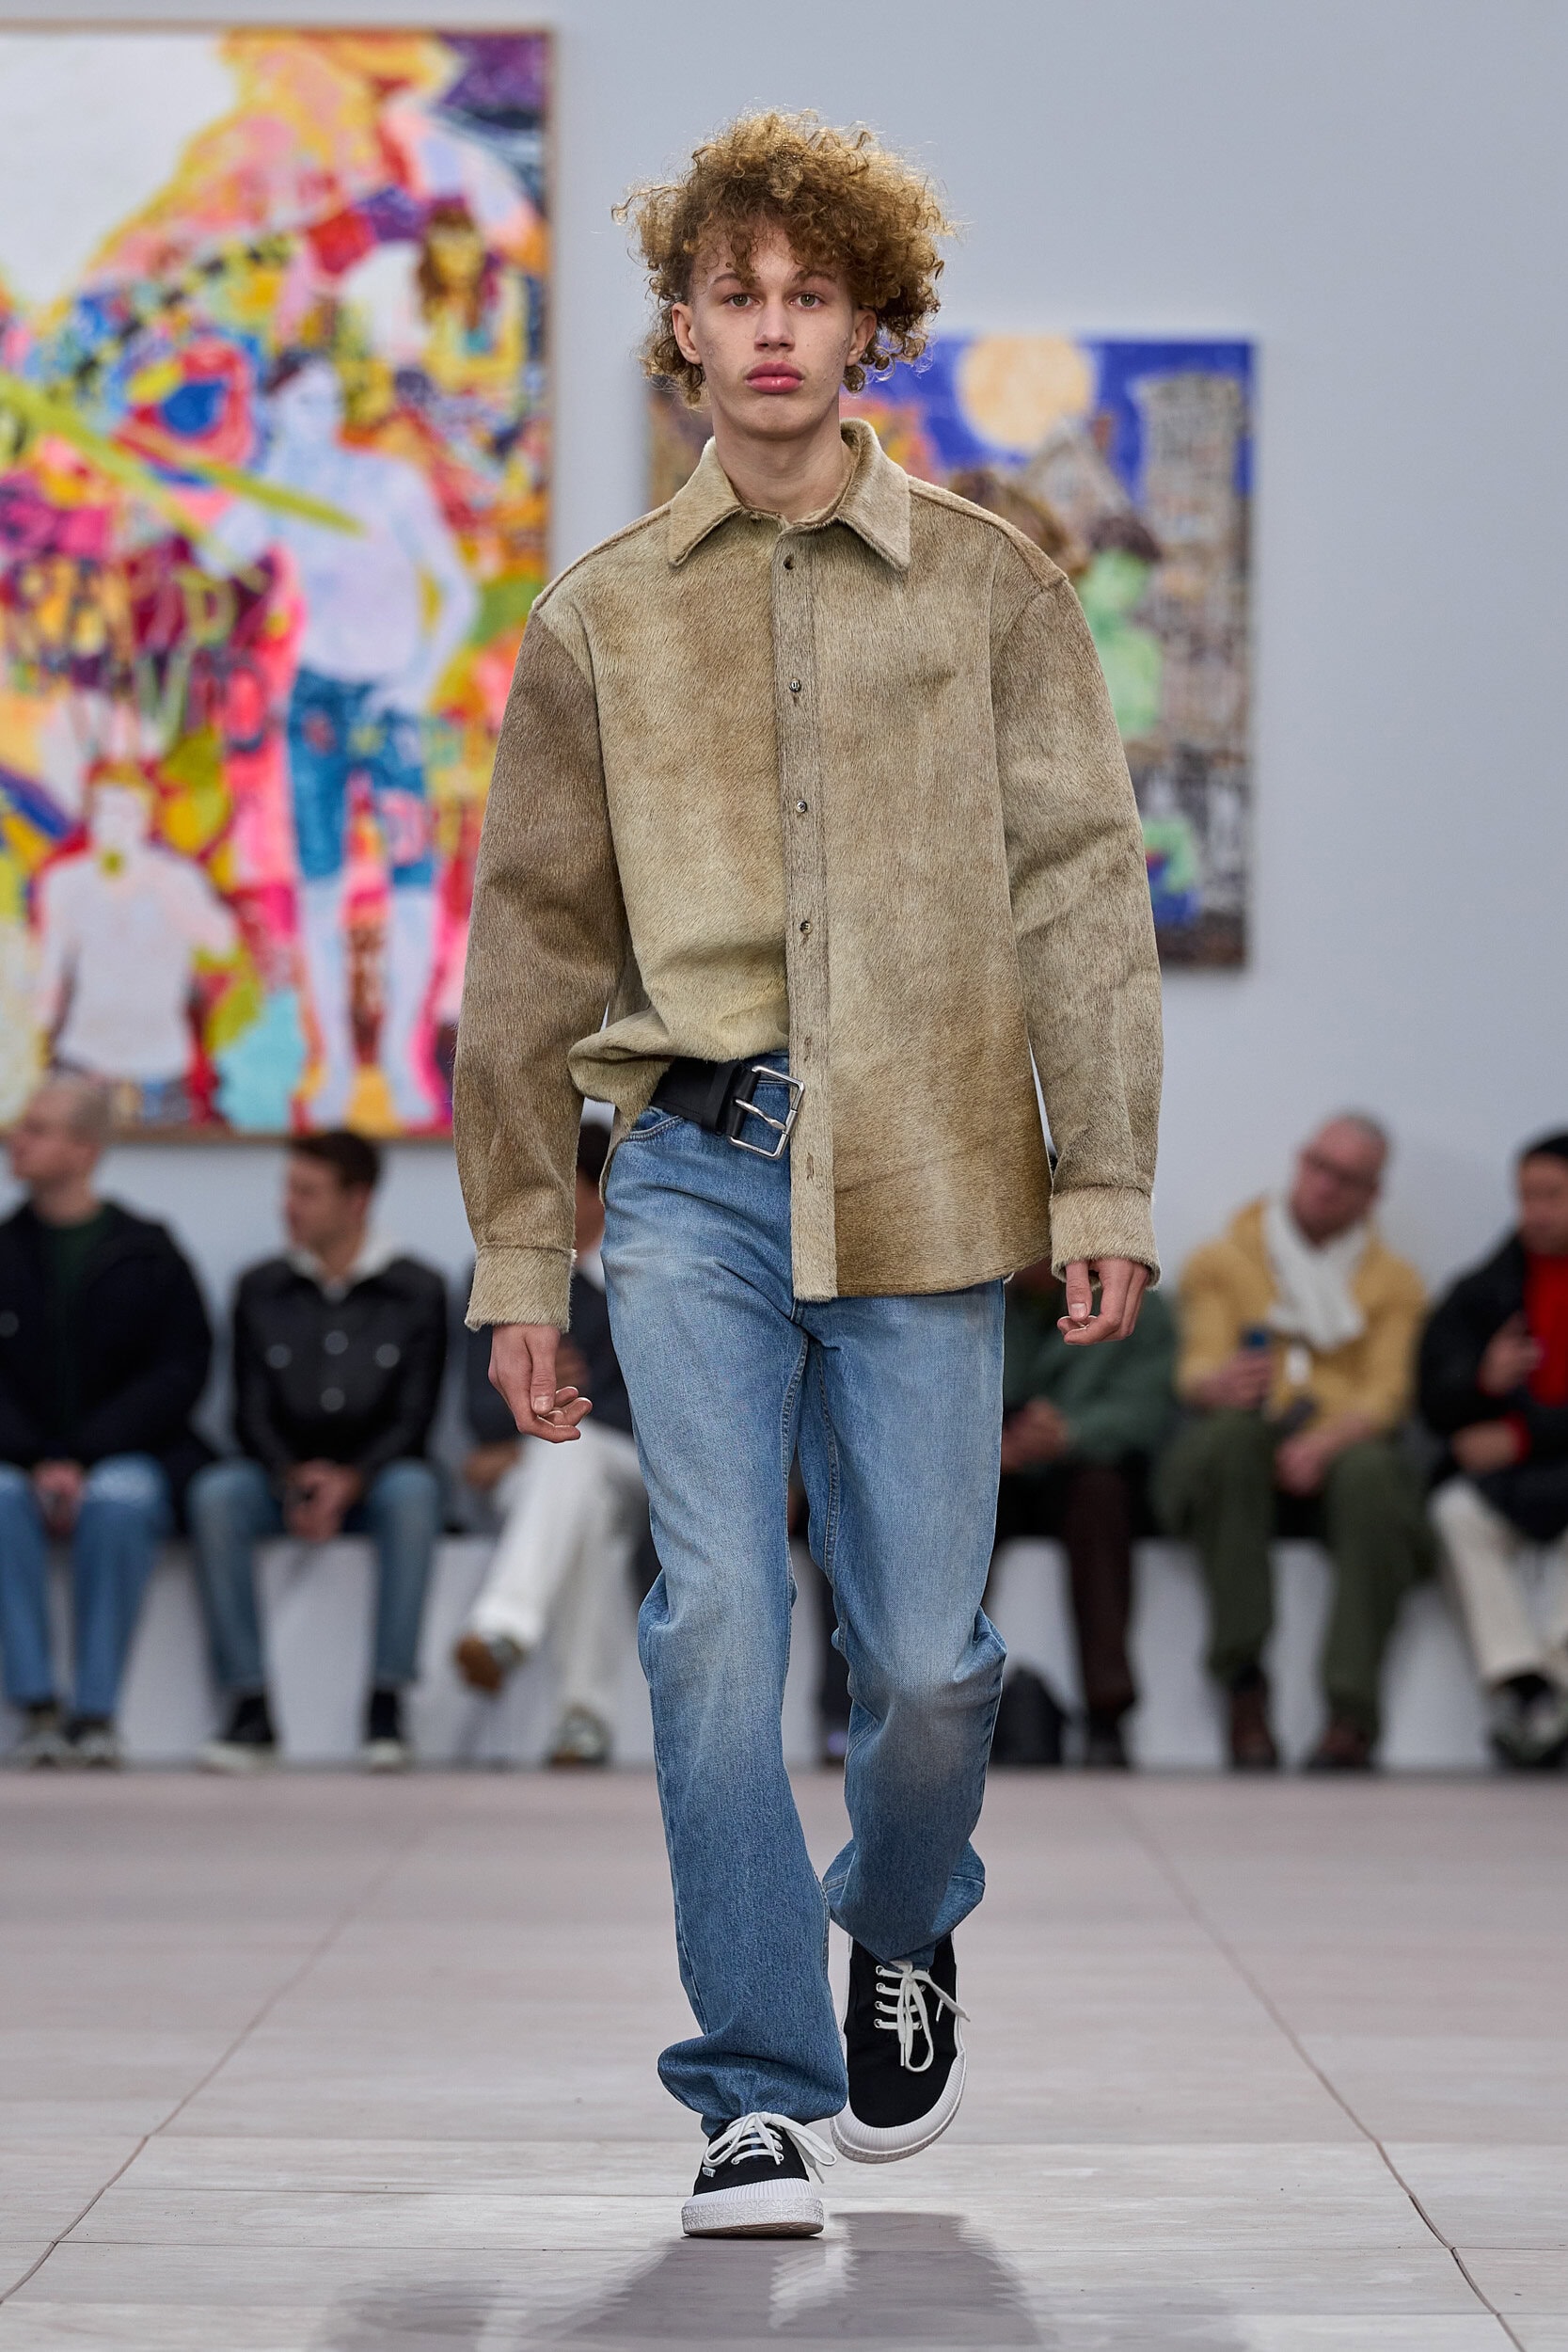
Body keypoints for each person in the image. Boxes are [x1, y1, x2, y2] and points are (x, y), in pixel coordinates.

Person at [453, 113, 1162, 2238]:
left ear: (871, 326)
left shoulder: (991, 590)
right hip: (688, 1179)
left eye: (811, 295)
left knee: (929, 1664)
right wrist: (518, 1258)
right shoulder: (597, 622)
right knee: (711, 1629)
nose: (772, 329)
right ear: (680, 327)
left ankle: (901, 1915)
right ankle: (751, 2090)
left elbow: (1079, 891)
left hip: (931, 1168)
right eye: (734, 294)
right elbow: (529, 954)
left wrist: (1103, 1181)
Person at [210, 353, 477, 1127]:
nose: (323, 417)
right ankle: (330, 1061)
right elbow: (215, 552)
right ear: (275, 412)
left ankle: (398, 1056)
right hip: (317, 701)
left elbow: (456, 592)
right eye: (305, 404)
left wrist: (417, 686)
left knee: (412, 883)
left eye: (330, 401)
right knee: (319, 887)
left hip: (391, 701)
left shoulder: (384, 483)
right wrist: (263, 474)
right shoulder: (281, 493)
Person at [1156, 1114, 1429, 1772]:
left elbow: (1387, 1393)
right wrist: (1218, 1383)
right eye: (1317, 1165)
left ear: (1371, 1194)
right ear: (1299, 1161)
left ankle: (1350, 1712)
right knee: (1231, 1443)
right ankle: (1243, 1683)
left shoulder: (1394, 1282)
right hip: (1241, 1449)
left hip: (1339, 1452)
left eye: (1345, 1178)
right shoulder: (1223, 1259)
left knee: (1374, 1474)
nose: (1324, 1186)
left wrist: (1324, 1443)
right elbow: (1195, 1369)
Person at [189, 1131, 446, 1772]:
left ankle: (387, 1702)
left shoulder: (416, 1289)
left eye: (307, 1192)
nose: (290, 1205)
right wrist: (290, 1475)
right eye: (289, 1189)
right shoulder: (260, 1287)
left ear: (357, 1200)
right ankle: (249, 1706)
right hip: (282, 1476)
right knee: (216, 1494)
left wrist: (352, 1479)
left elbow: (414, 1418)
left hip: (377, 1481)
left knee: (416, 1491)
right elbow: (248, 1411)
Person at [0, 1075, 212, 1766]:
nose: (16, 1140)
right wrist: (40, 1457)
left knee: (123, 1500)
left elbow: (179, 1370)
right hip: (19, 1459)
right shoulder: (5, 1248)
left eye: (37, 1129)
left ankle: (95, 1712)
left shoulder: (147, 1250)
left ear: (84, 1150)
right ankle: (36, 1706)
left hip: (124, 1457)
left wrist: (83, 1455)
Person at [453, 1119, 645, 1766]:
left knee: (576, 1453)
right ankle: (582, 1721)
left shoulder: (640, 1277)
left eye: (558, 1187)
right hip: (548, 1473)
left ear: (598, 1194)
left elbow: (660, 1406)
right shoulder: (501, 1277)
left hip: (633, 1466)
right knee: (584, 1502)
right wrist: (552, 1411)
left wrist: (551, 1406)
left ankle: (504, 1625)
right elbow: (479, 1407)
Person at [992, 1255, 1177, 1768]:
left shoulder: (1136, 1301)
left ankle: (1107, 1713)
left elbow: (1147, 1411)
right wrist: (989, 1445)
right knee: (959, 1493)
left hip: (1085, 1473)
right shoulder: (977, 1298)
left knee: (1101, 1495)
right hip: (1000, 1470)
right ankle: (938, 1701)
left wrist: (1071, 1434)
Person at [1421, 1132, 1568, 1767]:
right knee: (1455, 1513)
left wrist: (1523, 1435)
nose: (1536, 1211)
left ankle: (1556, 1682)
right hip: (1501, 1478)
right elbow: (1431, 1397)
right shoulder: (1484, 1288)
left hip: (1536, 1458)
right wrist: (1481, 1380)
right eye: (1526, 1196)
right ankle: (1524, 1681)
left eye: (1552, 1195)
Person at [35, 766, 238, 1125]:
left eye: (126, 812)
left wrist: (168, 892)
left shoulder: (177, 878)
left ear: (147, 819)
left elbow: (223, 944)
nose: (115, 823)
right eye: (105, 811)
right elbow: (50, 969)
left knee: (163, 1158)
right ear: (91, 818)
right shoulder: (65, 882)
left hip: (159, 1062)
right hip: (84, 1057)